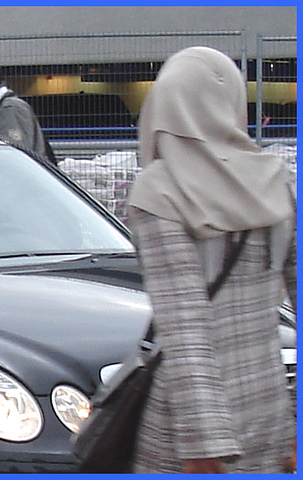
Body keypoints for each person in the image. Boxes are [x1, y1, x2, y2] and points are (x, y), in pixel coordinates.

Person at [126, 46, 296, 473]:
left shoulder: (159, 191)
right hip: (269, 413)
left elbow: (186, 327)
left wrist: (205, 447)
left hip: (188, 428)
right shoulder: (278, 181)